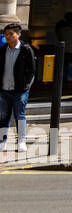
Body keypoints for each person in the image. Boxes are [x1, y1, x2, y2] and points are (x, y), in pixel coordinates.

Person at [0, 22, 36, 153]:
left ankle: (21, 141)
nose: (8, 37)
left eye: (11, 34)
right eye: (6, 35)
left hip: (19, 90)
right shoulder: (3, 49)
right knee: (3, 116)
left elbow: (32, 70)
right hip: (4, 89)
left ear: (19, 34)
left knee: (19, 115)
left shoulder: (26, 50)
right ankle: (2, 141)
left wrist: (26, 86)